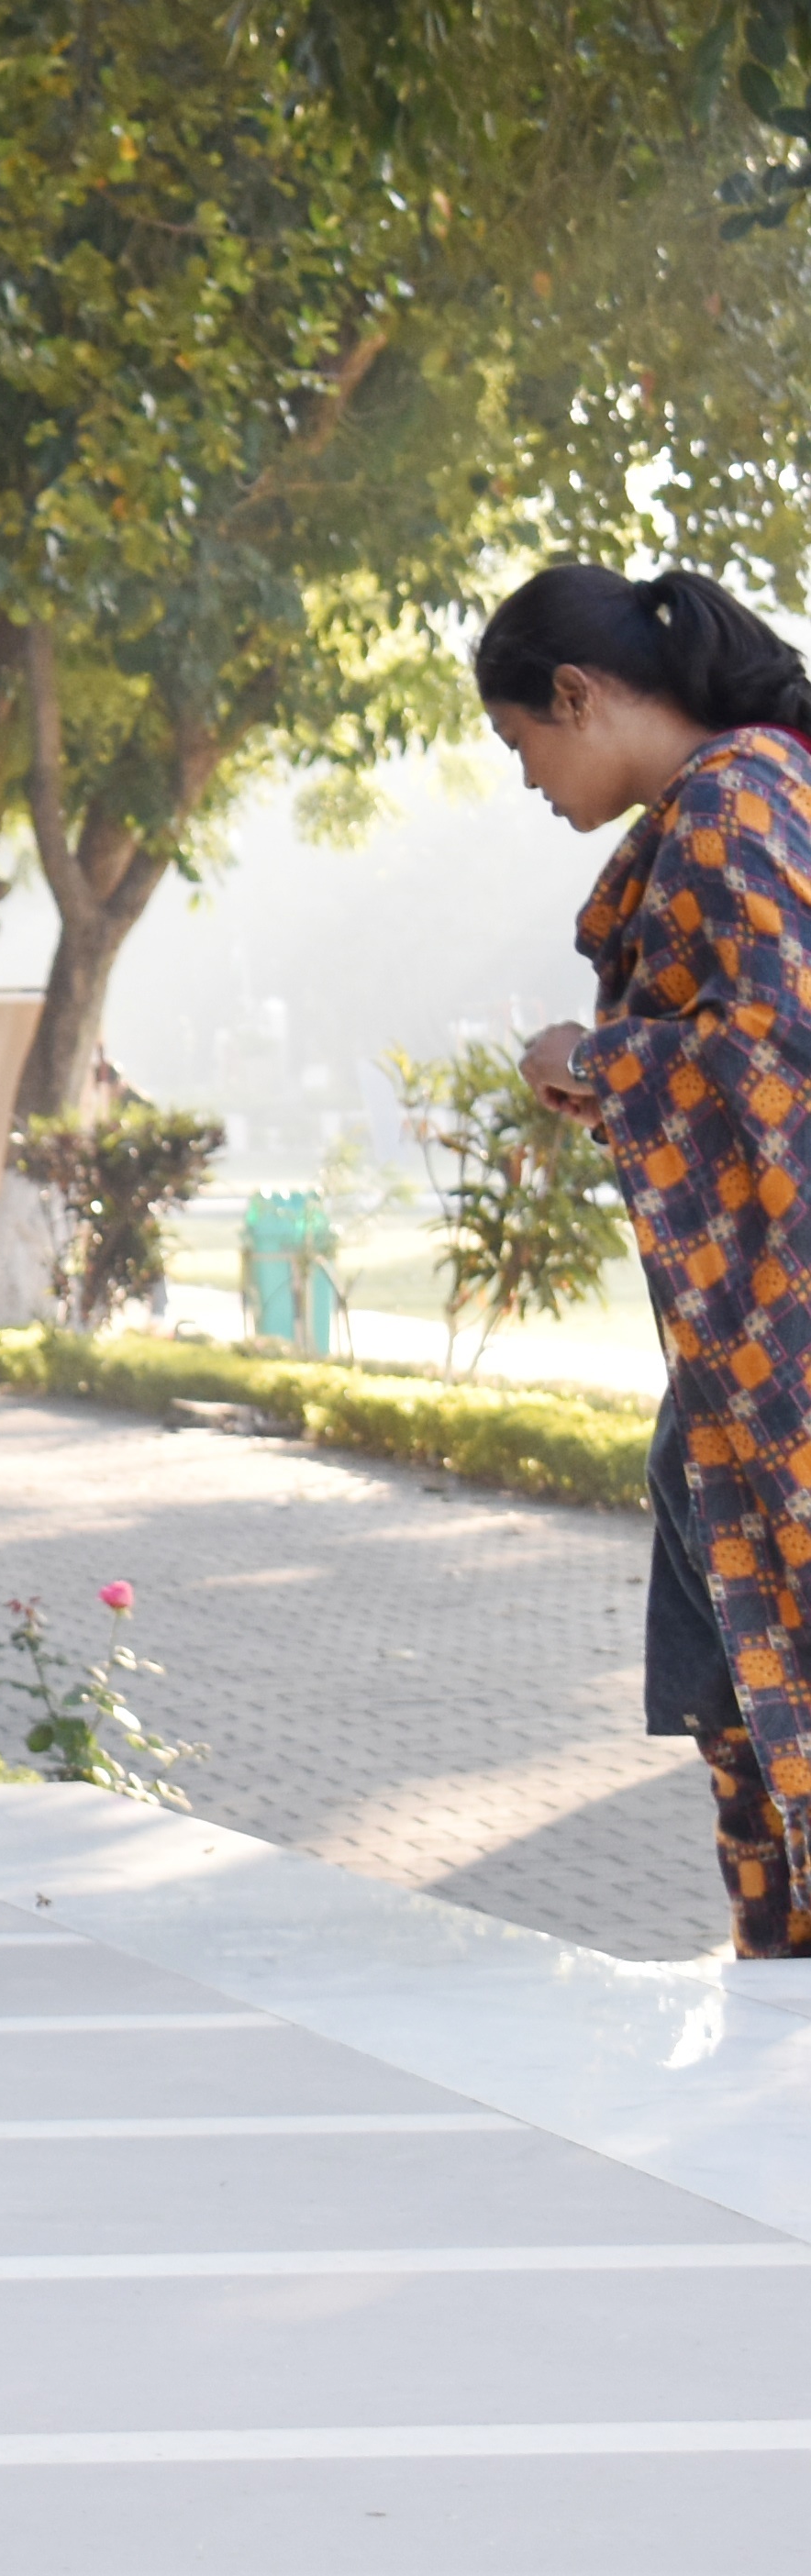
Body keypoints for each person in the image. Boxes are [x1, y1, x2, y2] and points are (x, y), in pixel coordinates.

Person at [483, 561, 811, 1959]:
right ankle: (774, 1980)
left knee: (763, 1673)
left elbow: (778, 1059)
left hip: (780, 1342)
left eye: (523, 743)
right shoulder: (743, 796)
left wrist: (596, 1059)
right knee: (728, 1670)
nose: (529, 780)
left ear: (579, 694)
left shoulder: (738, 801)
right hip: (728, 1355)